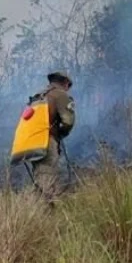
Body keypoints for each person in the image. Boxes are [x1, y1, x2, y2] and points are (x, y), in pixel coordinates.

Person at [30, 71, 76, 201]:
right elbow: (68, 121)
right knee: (47, 176)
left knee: (40, 174)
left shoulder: (38, 96)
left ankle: (38, 208)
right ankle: (47, 210)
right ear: (66, 83)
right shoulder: (60, 95)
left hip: (33, 142)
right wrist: (61, 134)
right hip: (47, 141)